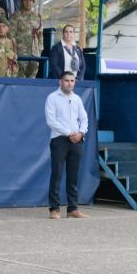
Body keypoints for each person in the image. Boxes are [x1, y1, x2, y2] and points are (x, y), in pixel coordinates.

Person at [44, 72, 90, 219]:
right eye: (66, 81)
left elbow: (84, 118)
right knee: (57, 174)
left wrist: (81, 133)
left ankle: (72, 209)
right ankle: (54, 209)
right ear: (60, 82)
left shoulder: (77, 99)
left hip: (77, 140)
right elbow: (51, 121)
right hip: (60, 140)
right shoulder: (52, 98)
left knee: (73, 175)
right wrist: (69, 133)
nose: (70, 83)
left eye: (72, 81)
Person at [10, 0, 42, 78]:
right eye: (25, 0)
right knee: (20, 75)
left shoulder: (37, 17)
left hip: (34, 52)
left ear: (33, 3)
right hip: (20, 51)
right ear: (21, 2)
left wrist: (40, 49)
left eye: (30, 1)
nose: (28, 3)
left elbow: (40, 34)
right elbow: (11, 34)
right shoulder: (15, 16)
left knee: (32, 75)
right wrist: (13, 50)